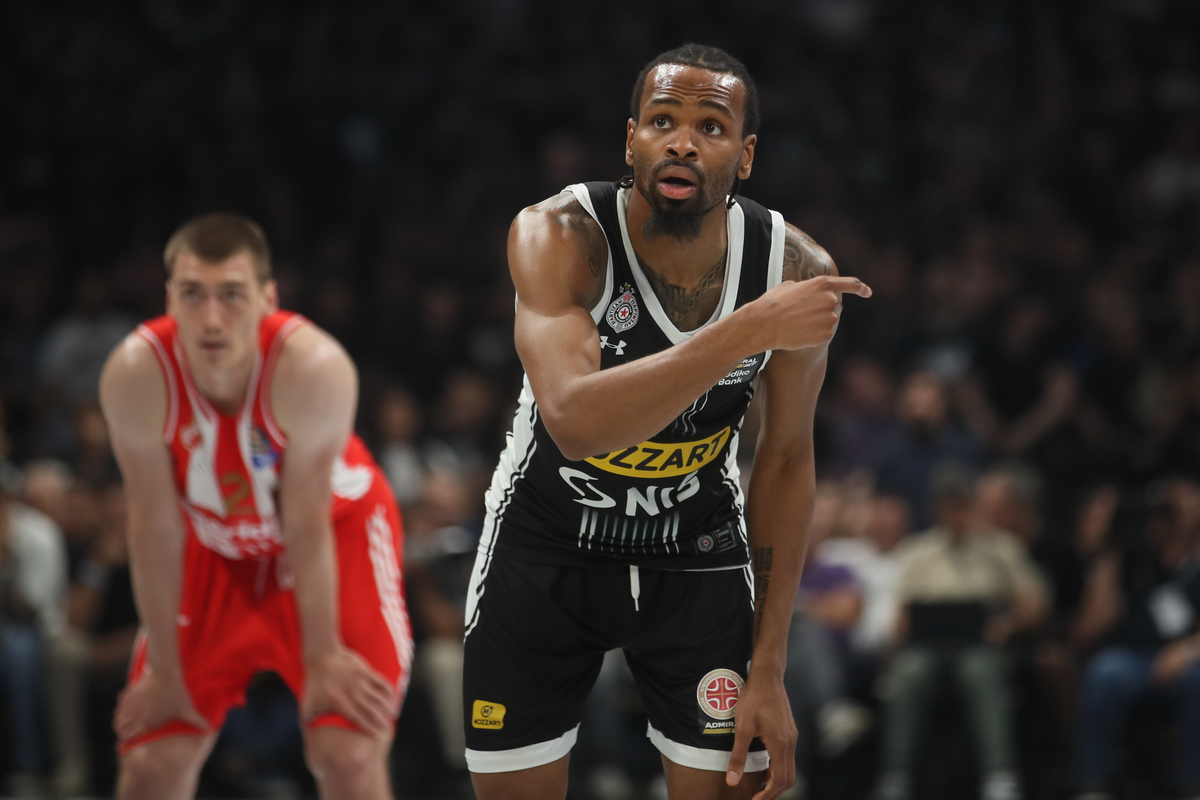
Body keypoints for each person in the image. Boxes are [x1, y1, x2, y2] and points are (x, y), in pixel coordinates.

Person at [462, 44, 871, 800]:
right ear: (631, 141)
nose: (682, 141)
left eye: (711, 127)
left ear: (744, 157)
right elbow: (577, 424)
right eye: (663, 121)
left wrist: (771, 667)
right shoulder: (558, 235)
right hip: (548, 542)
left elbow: (785, 461)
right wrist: (748, 331)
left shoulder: (794, 271)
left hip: (695, 550)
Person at [98, 213, 412, 800]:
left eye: (232, 296)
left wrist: (323, 656)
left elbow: (304, 521)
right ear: (169, 296)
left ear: (268, 298)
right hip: (216, 548)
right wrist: (165, 669)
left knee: (346, 753)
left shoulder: (313, 367)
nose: (212, 318)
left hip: (332, 538)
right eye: (192, 295)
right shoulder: (136, 373)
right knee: (151, 763)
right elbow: (154, 525)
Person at [874, 465, 1046, 800]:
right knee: (909, 673)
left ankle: (999, 777)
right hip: (927, 647)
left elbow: (1034, 606)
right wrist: (899, 640)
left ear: (973, 506)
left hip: (982, 646)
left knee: (978, 670)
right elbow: (901, 618)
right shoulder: (916, 552)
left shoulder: (1001, 548)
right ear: (936, 509)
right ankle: (895, 777)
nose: (954, 514)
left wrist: (1007, 625)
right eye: (947, 506)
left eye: (961, 505)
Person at [1072, 478, 1200, 799]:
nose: (1168, 520)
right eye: (1161, 512)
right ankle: (1093, 786)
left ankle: (1192, 786)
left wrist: (1186, 650)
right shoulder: (1134, 559)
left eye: (1176, 511)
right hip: (1133, 658)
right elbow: (1087, 631)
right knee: (1105, 671)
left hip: (1186, 660)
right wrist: (1111, 555)